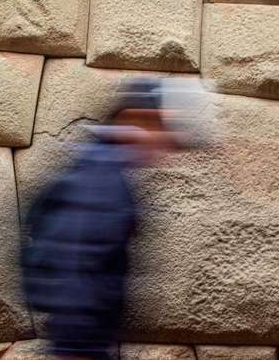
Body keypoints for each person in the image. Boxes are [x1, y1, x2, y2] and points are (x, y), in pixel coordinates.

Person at [21, 78, 205, 360]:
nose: (166, 146)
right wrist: (80, 348)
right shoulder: (101, 180)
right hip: (81, 344)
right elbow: (77, 266)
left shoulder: (102, 170)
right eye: (162, 131)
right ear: (133, 120)